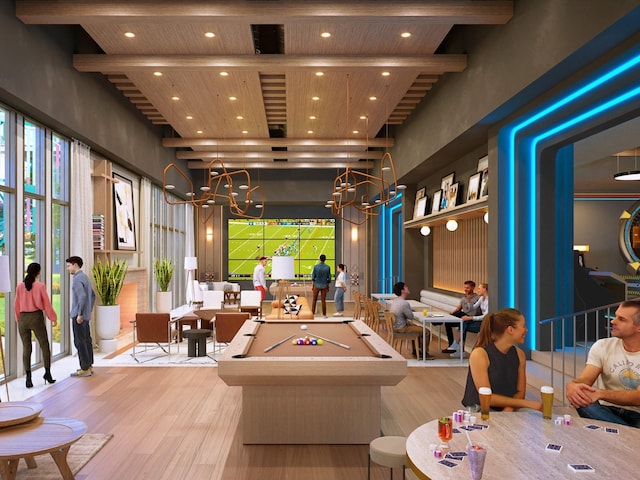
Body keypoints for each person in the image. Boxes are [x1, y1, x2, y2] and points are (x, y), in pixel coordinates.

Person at [565, 299, 640, 427]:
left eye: (621, 319)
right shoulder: (602, 345)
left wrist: (600, 393)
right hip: (606, 410)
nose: (612, 321)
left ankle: (617, 434)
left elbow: (638, 398)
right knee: (584, 402)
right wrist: (573, 386)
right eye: (615, 316)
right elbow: (585, 379)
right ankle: (628, 436)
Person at [461, 308, 543, 412]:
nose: (526, 330)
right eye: (523, 326)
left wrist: (509, 408)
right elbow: (487, 397)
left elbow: (520, 393)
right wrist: (528, 404)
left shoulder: (520, 355)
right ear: (510, 330)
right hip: (481, 410)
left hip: (508, 409)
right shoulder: (480, 354)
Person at [14, 262, 58, 388]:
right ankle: (47, 374)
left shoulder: (20, 286)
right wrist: (53, 317)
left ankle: (28, 378)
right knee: (44, 345)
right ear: (38, 272)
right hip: (36, 317)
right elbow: (46, 304)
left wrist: (19, 319)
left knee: (26, 348)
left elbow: (16, 305)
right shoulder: (40, 286)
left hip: (23, 319)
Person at [66, 256, 96, 377]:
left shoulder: (77, 279)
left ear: (75, 265)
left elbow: (82, 297)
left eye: (69, 266)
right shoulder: (85, 277)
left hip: (79, 316)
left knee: (79, 342)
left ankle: (84, 368)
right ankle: (89, 365)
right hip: (85, 315)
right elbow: (93, 295)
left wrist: (79, 314)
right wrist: (88, 310)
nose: (68, 269)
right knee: (87, 340)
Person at [389, 282, 434, 360]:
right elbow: (411, 316)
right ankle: (424, 354)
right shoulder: (404, 303)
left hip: (396, 326)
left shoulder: (395, 301)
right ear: (402, 290)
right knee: (426, 332)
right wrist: (410, 310)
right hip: (401, 328)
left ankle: (416, 351)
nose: (408, 288)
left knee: (417, 327)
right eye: (406, 287)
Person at [442, 280, 481, 354]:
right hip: (464, 314)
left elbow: (477, 310)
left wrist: (469, 301)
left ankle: (457, 346)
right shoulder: (463, 298)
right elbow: (458, 308)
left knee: (463, 323)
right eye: (465, 287)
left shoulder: (477, 298)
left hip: (472, 317)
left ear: (473, 288)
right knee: (448, 322)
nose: (465, 289)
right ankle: (451, 345)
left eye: (468, 288)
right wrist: (451, 313)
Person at [452, 283, 490, 357]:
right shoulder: (481, 298)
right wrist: (468, 301)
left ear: (485, 289)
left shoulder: (488, 300)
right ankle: (458, 347)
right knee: (463, 323)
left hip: (485, 323)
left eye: (479, 288)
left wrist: (471, 318)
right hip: (480, 321)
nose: (477, 290)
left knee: (463, 325)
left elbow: (486, 316)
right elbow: (473, 307)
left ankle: (458, 346)